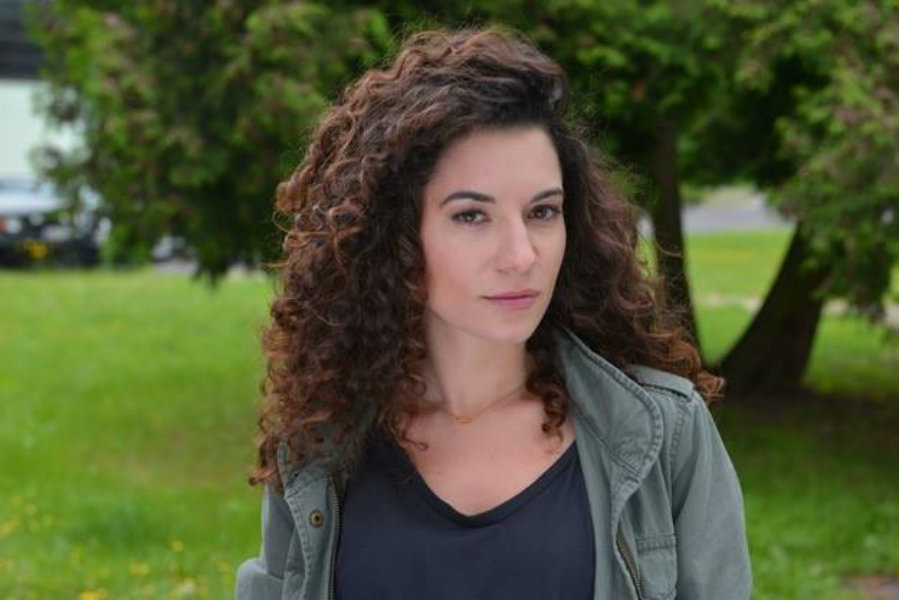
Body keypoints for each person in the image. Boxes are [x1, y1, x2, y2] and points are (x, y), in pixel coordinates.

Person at [235, 26, 751, 600]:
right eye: (471, 216)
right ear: (394, 237)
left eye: (542, 212)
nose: (521, 256)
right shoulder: (320, 445)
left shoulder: (667, 433)